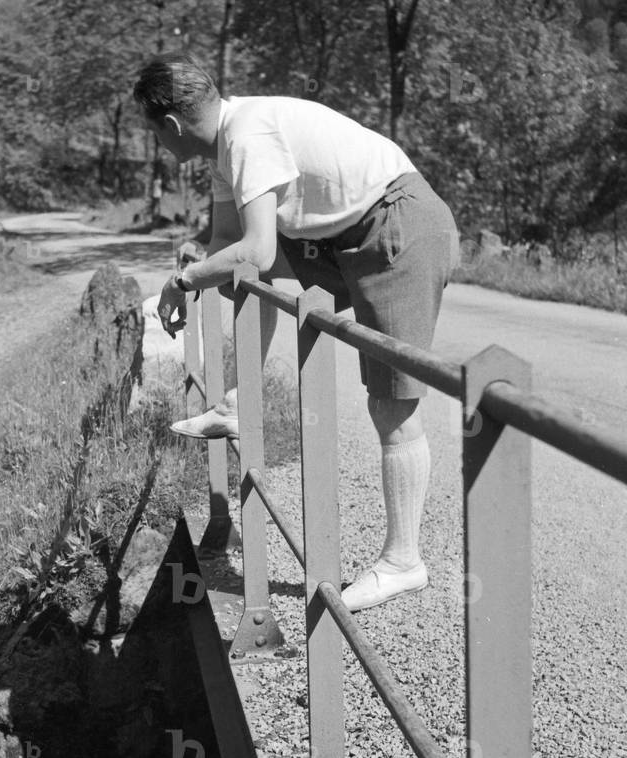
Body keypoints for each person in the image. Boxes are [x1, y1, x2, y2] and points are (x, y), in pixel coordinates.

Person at [133, 53, 460, 612]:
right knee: (249, 273)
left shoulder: (246, 136)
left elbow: (255, 249)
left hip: (397, 226)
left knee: (392, 403)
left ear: (171, 126)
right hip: (346, 236)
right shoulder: (224, 150)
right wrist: (194, 279)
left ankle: (405, 561)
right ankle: (241, 401)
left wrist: (181, 280)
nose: (159, 144)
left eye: (154, 133)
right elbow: (231, 251)